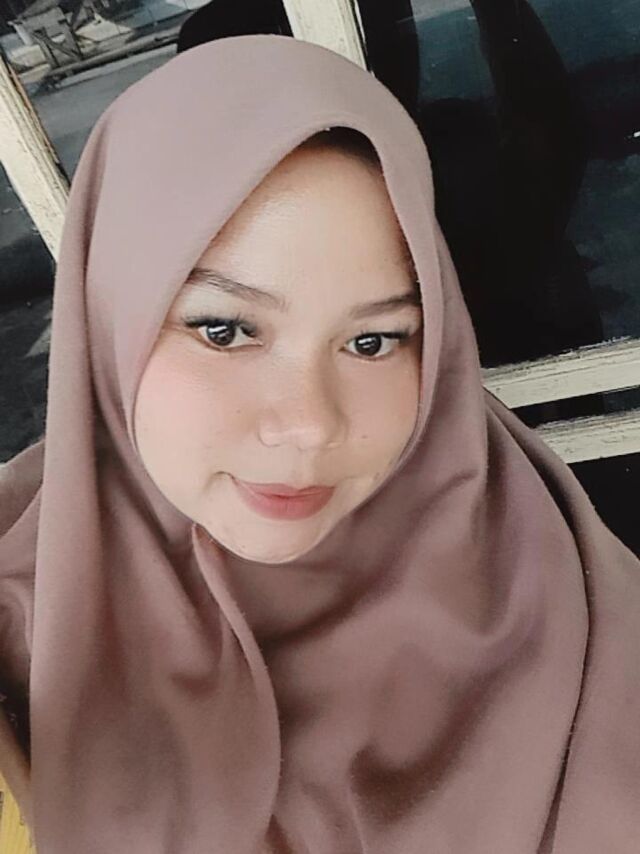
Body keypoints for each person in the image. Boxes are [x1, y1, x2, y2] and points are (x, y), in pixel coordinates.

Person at [0, 34, 639, 853]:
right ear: (109, 319)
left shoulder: (536, 560)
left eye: (373, 341)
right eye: (225, 330)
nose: (309, 424)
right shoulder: (24, 629)